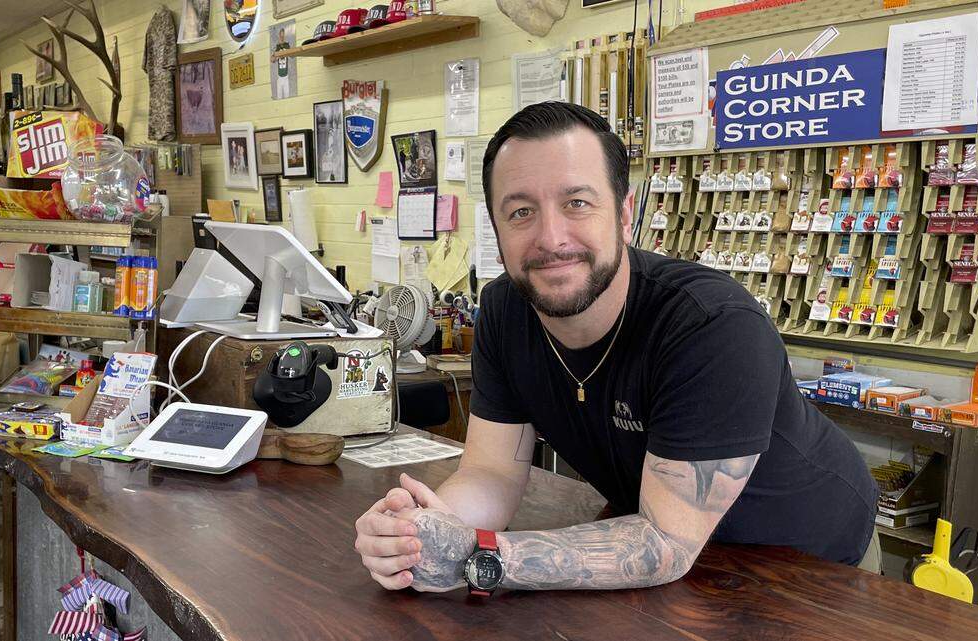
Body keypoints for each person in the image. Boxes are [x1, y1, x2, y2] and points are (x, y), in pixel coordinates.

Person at [353, 101, 879, 594]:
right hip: (659, 556)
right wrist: (422, 533)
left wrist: (481, 557)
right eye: (520, 212)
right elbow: (491, 474)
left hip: (809, 565)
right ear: (496, 226)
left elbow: (665, 542)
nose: (551, 237)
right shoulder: (506, 311)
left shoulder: (710, 325)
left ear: (625, 213)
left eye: (577, 203)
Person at [273, 28, 292, 99]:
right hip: (279, 76)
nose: (282, 37)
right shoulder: (277, 47)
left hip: (286, 75)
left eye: (283, 35)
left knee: (287, 95)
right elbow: (272, 59)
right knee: (279, 96)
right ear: (279, 36)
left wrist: (286, 52)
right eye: (281, 35)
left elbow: (292, 55)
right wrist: (276, 55)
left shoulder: (287, 45)